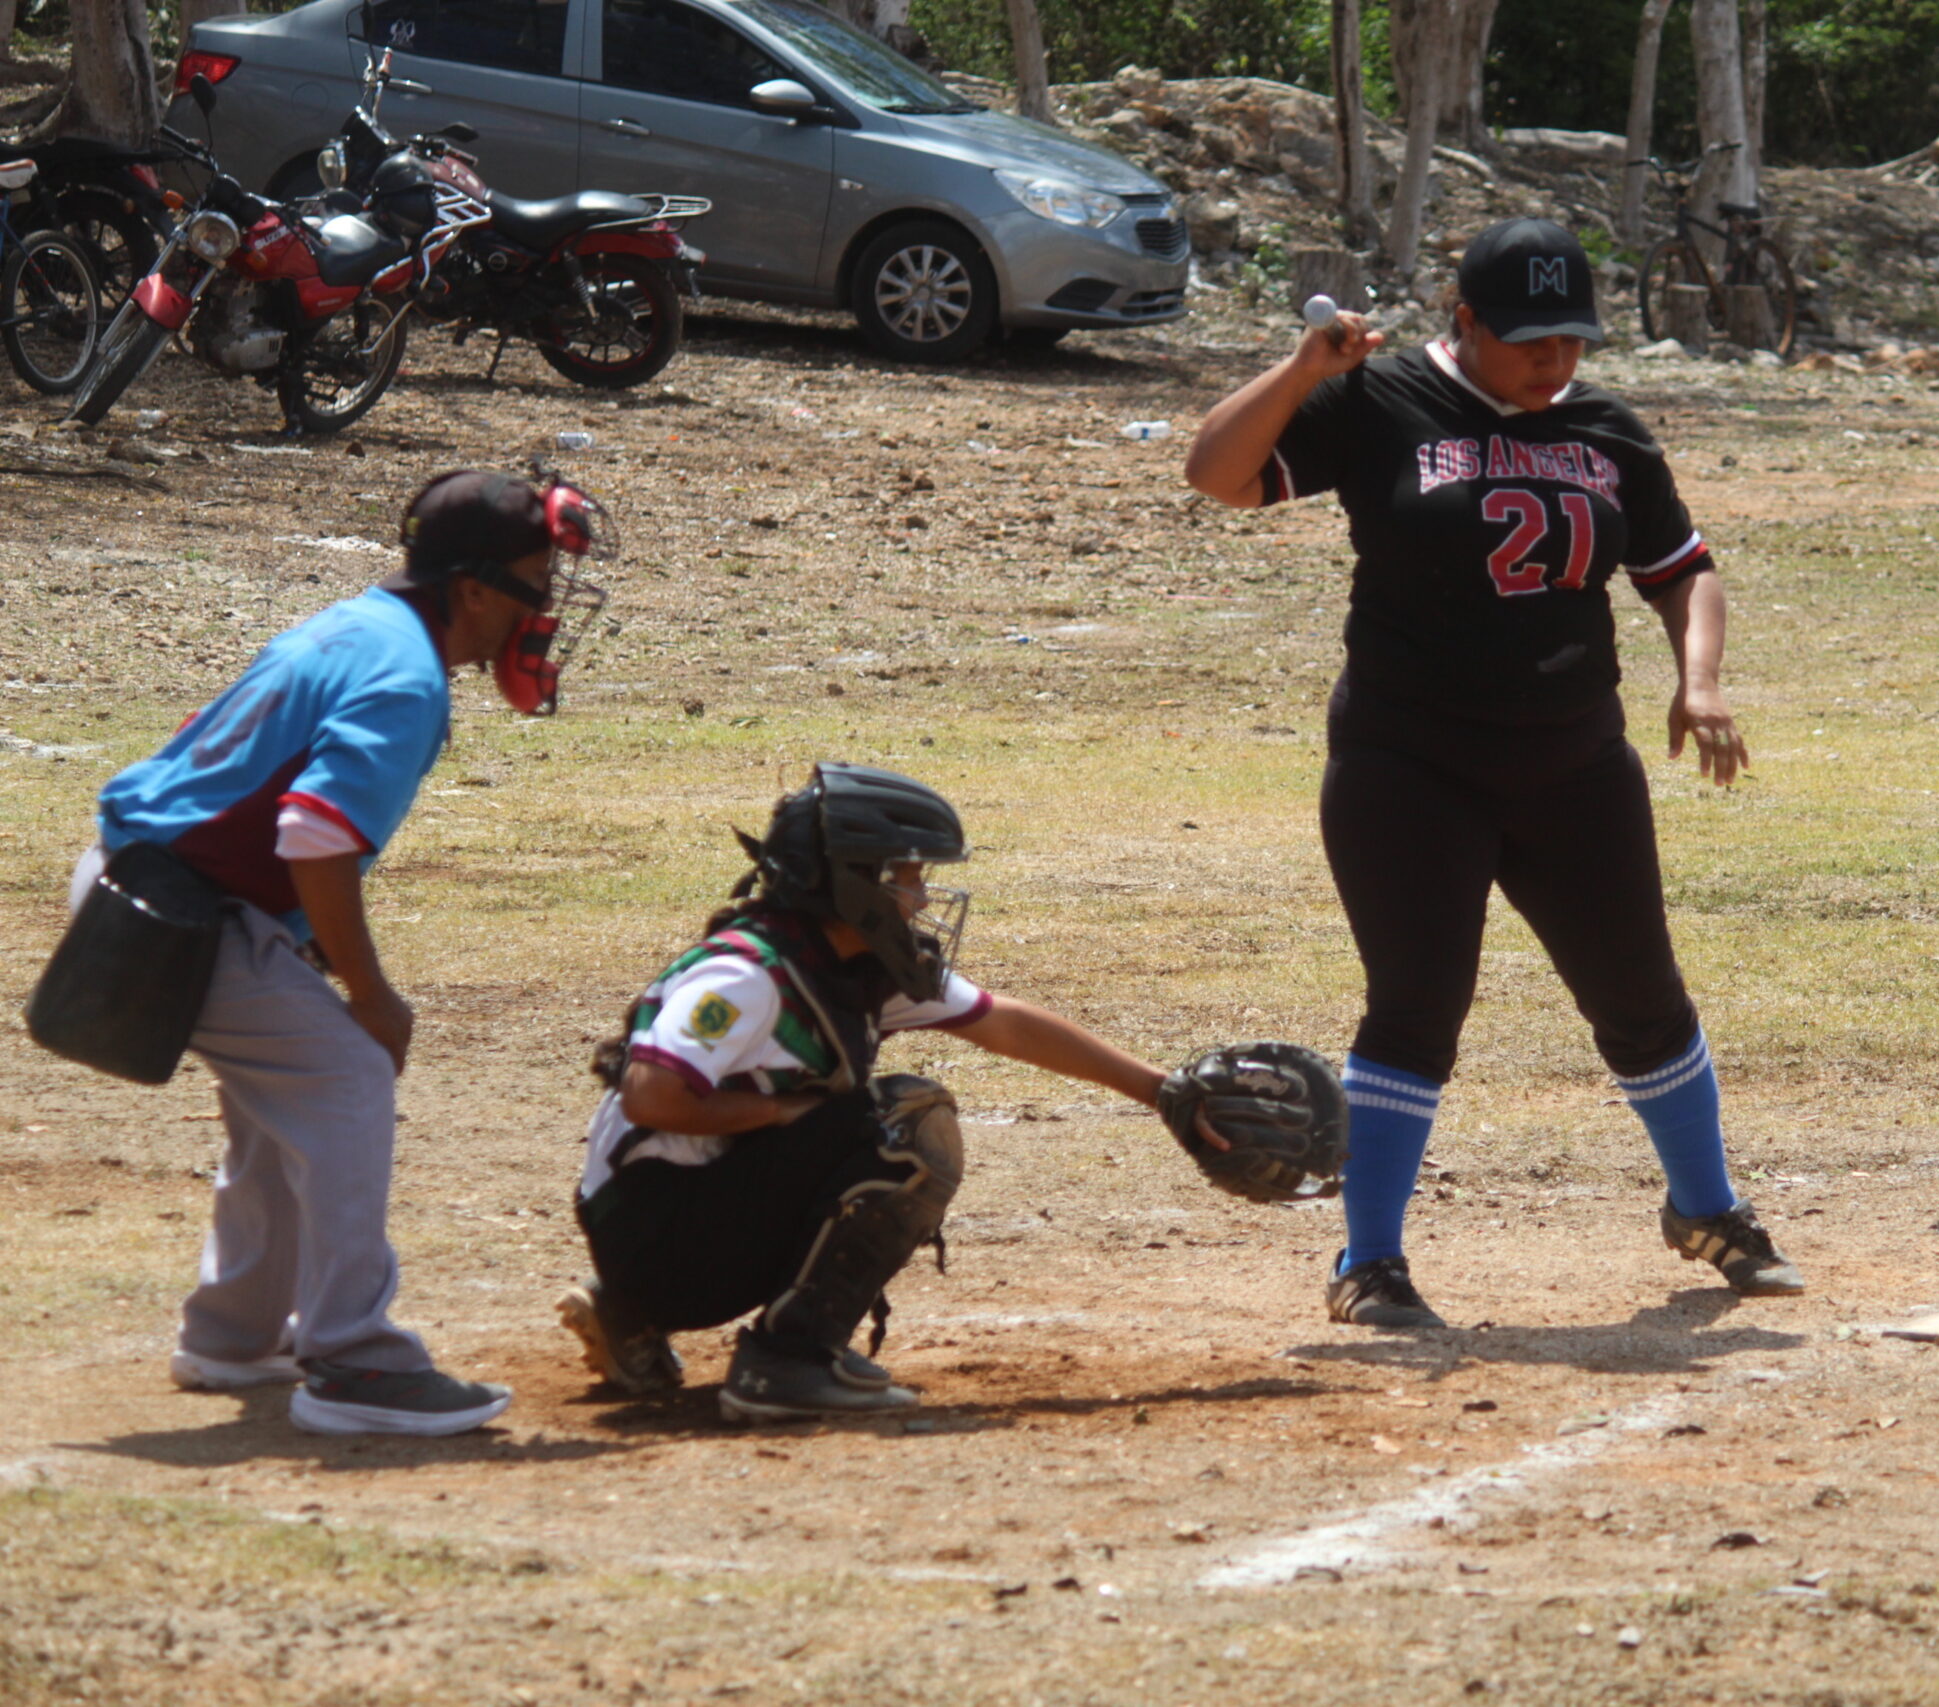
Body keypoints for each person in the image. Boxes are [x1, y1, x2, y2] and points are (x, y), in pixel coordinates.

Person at [1183, 217, 1806, 1329]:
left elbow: (1679, 568)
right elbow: (1217, 476)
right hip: (1406, 763)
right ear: (1460, 320)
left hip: (1573, 761)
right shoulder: (1377, 405)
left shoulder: (1606, 430)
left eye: (1569, 341)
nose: (1550, 363)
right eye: (1525, 340)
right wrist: (1300, 371)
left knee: (1642, 999)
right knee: (1417, 1009)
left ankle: (1707, 1207)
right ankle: (1367, 1263)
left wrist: (1698, 680)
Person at [82, 468, 613, 1433]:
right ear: (474, 590)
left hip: (152, 882)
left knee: (282, 1106)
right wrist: (370, 994)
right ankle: (354, 1361)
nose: (541, 611)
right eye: (536, 584)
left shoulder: (360, 622)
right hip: (175, 913)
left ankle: (235, 1335)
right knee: (347, 1076)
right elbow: (314, 832)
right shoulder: (405, 677)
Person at [561, 762, 1226, 1424]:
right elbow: (651, 1095)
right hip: (654, 1237)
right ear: (855, 883)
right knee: (905, 1123)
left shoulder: (844, 967)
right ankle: (790, 1359)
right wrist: (780, 1110)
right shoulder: (749, 977)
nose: (924, 898)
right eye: (908, 876)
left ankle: (632, 1317)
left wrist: (1162, 1091)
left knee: (854, 1122)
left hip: (670, 1235)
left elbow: (1007, 1024)